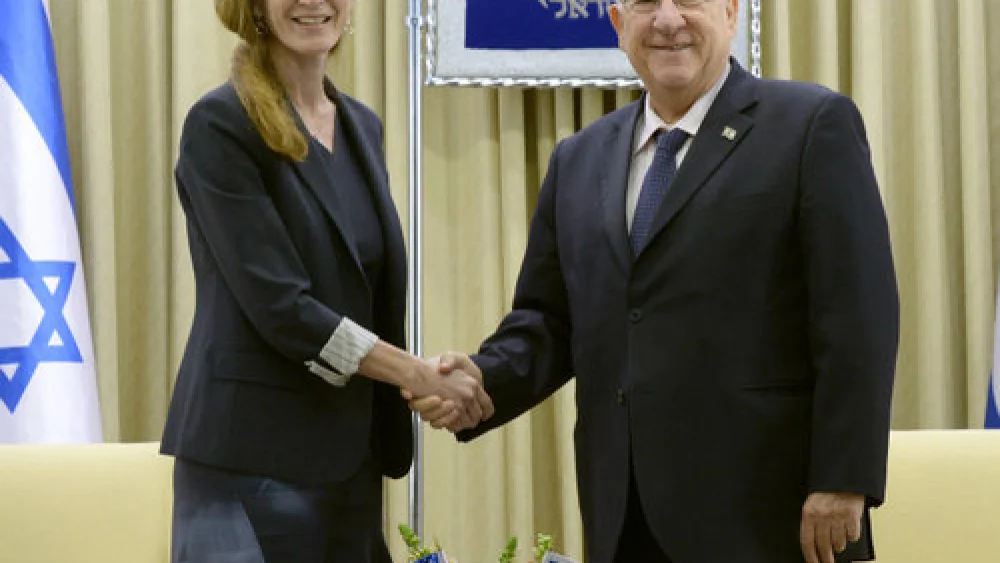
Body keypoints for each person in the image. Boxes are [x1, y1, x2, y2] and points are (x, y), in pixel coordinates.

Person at [409, 0, 899, 562]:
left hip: (773, 515)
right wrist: (478, 382)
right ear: (618, 24)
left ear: (731, 13)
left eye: (689, 0)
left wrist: (843, 478)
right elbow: (549, 322)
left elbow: (859, 316)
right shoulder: (579, 158)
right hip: (624, 516)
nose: (668, 20)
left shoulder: (810, 125)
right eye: (645, 4)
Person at [160, 1, 492, 561]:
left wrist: (421, 380)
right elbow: (283, 308)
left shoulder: (362, 124)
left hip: (350, 460)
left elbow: (366, 292)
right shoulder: (220, 124)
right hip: (251, 464)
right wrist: (416, 373)